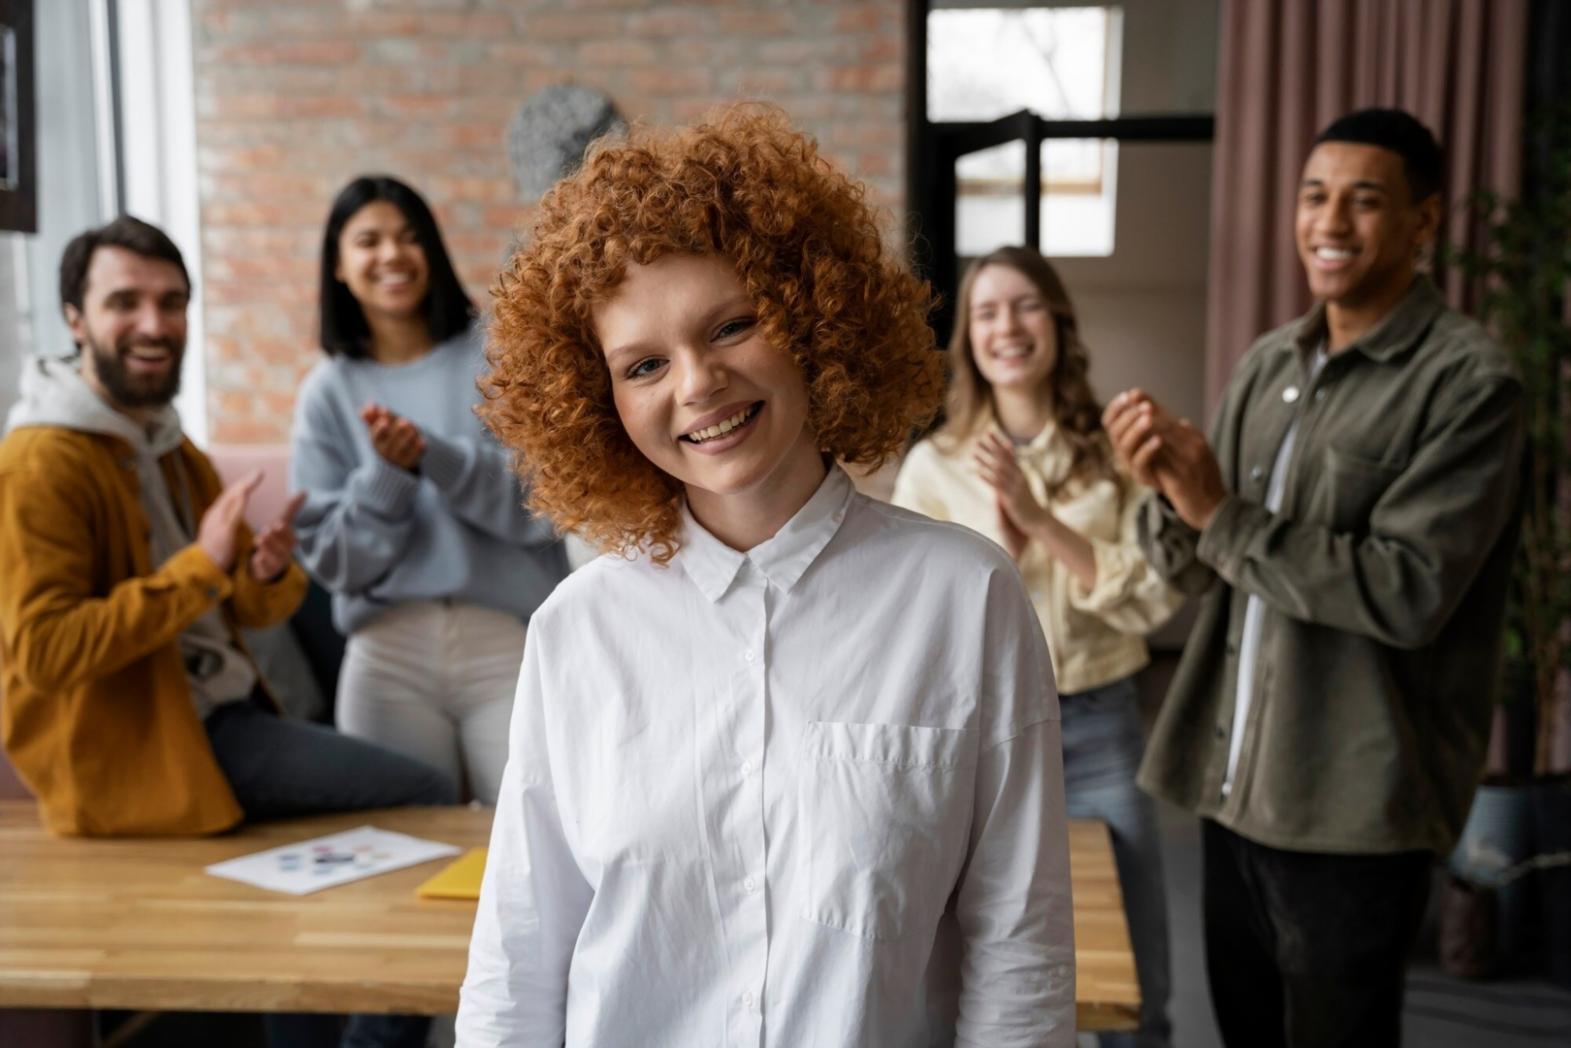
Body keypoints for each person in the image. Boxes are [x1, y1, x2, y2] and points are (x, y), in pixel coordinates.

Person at [456, 107, 1076, 1047]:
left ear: (817, 322)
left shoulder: (964, 598)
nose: (696, 383)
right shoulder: (576, 631)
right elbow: (520, 956)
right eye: (643, 364)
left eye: (733, 324)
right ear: (599, 400)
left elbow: (1017, 949)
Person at [1104, 108, 1524, 1047]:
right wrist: (1169, 489)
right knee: (1245, 1031)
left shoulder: (1467, 383)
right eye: (1312, 195)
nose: (1328, 221)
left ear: (1422, 222)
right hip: (1232, 785)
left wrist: (1218, 511)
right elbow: (1199, 567)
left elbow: (1409, 589)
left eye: (1363, 200)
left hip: (1348, 811)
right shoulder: (1269, 362)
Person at [0, 215, 456, 1048]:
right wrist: (205, 567)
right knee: (427, 798)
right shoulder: (41, 463)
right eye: (125, 302)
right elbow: (44, 652)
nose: (154, 324)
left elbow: (248, 611)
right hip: (157, 748)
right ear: (74, 319)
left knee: (345, 856)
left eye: (171, 303)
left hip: (221, 723)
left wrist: (263, 574)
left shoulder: (170, 447)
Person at [892, 245, 1181, 1048]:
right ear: (968, 340)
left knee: (1133, 986)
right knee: (977, 967)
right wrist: (1005, 552)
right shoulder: (932, 467)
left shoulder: (1119, 454)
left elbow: (1151, 599)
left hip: (1097, 730)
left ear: (1056, 322)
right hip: (976, 741)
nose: (1005, 327)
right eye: (985, 311)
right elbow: (921, 624)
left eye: (1023, 305)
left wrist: (1038, 519)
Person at [290, 176, 568, 805]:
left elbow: (547, 504)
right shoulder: (326, 393)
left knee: (538, 831)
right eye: (369, 240)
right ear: (338, 265)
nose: (391, 254)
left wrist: (435, 459)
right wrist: (390, 478)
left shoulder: (497, 356)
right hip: (387, 654)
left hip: (508, 639)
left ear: (432, 251)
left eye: (409, 237)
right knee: (394, 845)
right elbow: (334, 561)